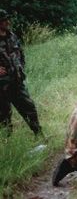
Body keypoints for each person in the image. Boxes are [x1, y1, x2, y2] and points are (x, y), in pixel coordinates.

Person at [0, 9, 42, 137]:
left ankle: (38, 135)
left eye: (7, 19)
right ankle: (8, 142)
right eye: (4, 20)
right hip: (1, 85)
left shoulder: (12, 35)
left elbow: (21, 54)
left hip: (16, 81)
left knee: (28, 107)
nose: (8, 22)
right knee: (3, 115)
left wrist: (20, 68)